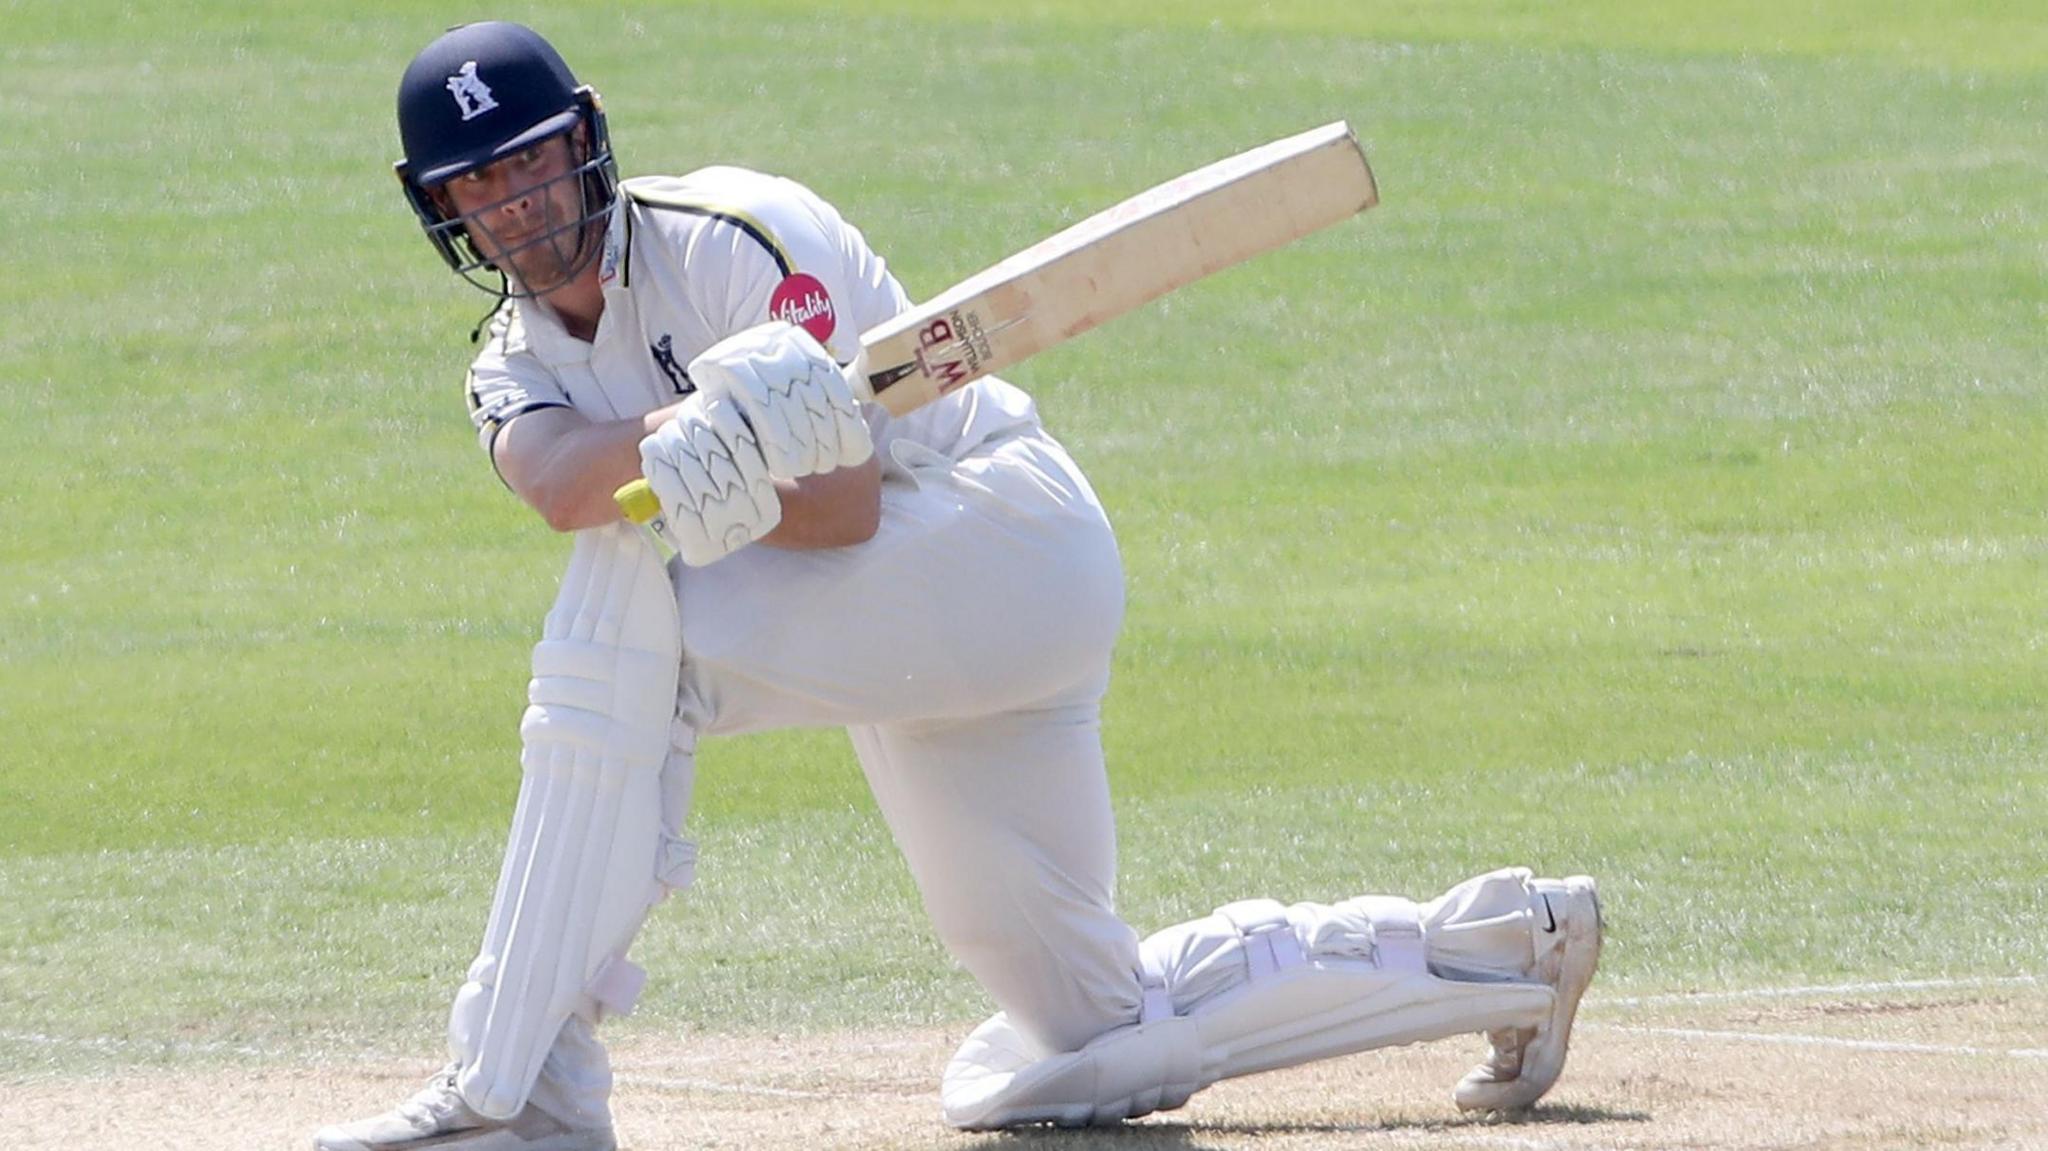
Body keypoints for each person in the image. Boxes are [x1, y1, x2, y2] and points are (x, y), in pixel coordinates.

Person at [313, 21, 1604, 1151]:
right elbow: (551, 481)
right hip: (902, 646)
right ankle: (1506, 948)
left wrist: (738, 455)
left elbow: (848, 506)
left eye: (533, 158)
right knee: (1077, 1043)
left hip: (993, 540)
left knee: (637, 633)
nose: (519, 202)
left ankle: (524, 1084)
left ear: (584, 139)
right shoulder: (507, 362)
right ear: (439, 207)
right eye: (480, 182)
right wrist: (682, 438)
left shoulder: (740, 237)